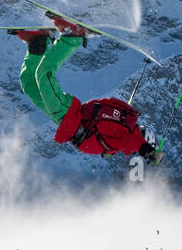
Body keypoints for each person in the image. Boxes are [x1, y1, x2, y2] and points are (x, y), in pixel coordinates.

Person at [13, 15, 162, 162]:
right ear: (143, 137)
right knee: (44, 74)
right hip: (69, 115)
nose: (133, 153)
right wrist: (148, 152)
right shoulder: (127, 136)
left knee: (29, 84)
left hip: (66, 121)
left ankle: (38, 43)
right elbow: (134, 142)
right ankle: (73, 37)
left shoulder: (116, 139)